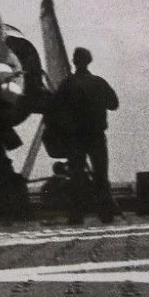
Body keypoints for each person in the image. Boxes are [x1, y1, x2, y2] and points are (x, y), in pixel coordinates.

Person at [53, 47, 119, 224]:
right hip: (97, 136)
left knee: (77, 176)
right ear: (89, 61)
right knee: (101, 175)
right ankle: (106, 214)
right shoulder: (99, 82)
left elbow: (56, 108)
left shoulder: (67, 84)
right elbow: (114, 104)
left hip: (76, 137)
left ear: (75, 61)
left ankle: (76, 215)